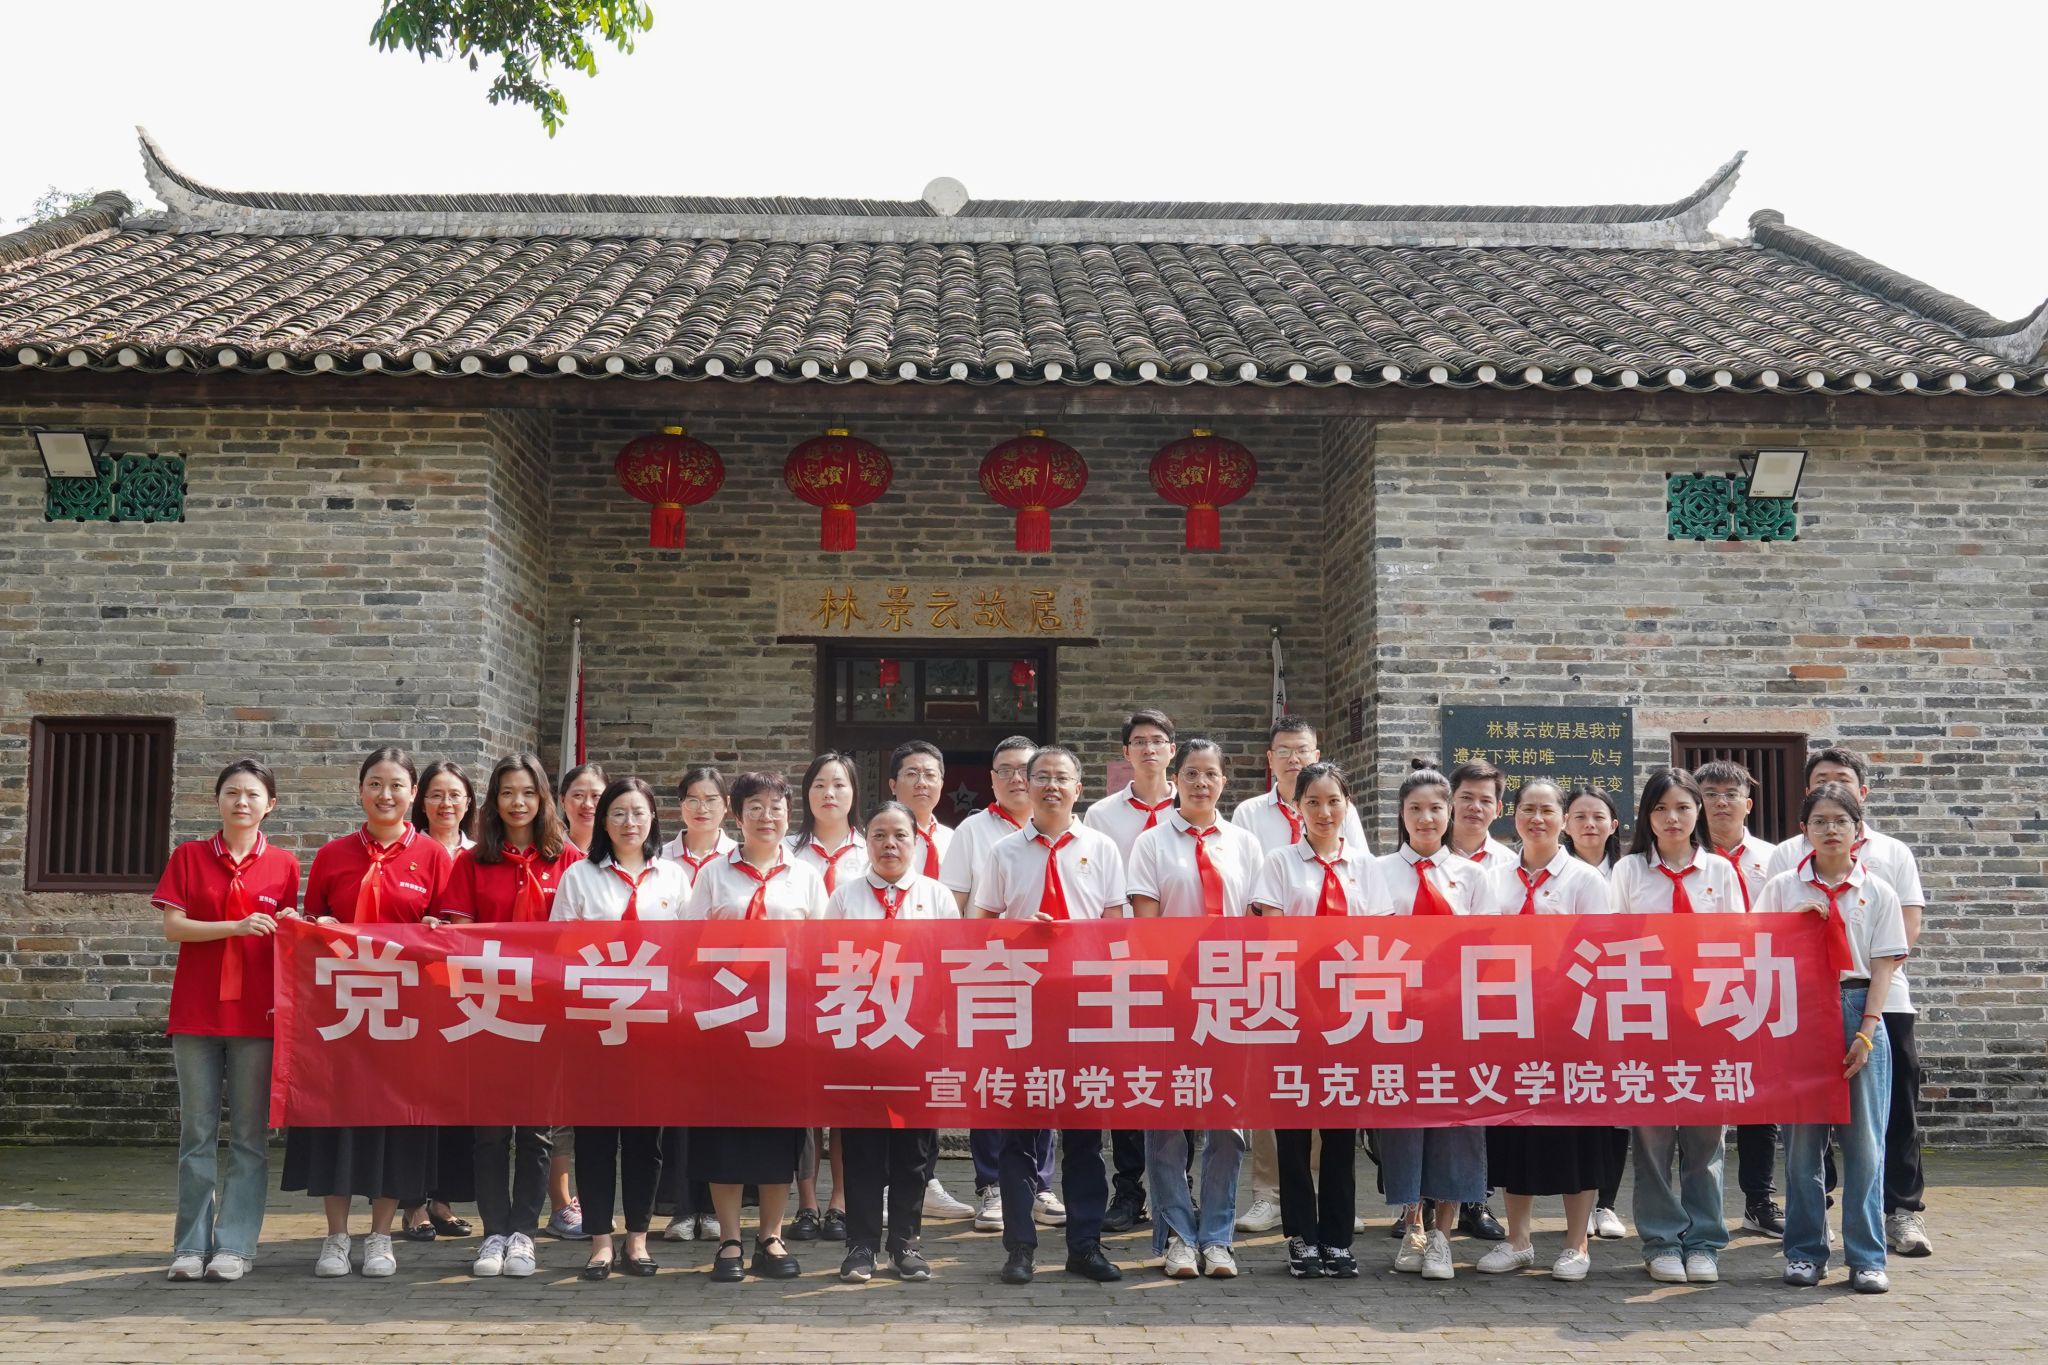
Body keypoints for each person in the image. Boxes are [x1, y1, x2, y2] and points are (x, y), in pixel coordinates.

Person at [283, 747, 454, 1280]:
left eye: (397, 785)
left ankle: (380, 1236)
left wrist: (435, 931)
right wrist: (311, 926)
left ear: (413, 795)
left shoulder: (434, 856)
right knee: (336, 1122)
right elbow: (310, 929)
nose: (386, 794)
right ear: (360, 791)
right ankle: (336, 1237)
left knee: (395, 1124)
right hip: (342, 1012)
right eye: (375, 784)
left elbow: (450, 935)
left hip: (406, 1016)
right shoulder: (333, 854)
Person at [1765, 746, 1932, 1259]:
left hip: (1860, 1003)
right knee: (1802, 1144)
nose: (1831, 829)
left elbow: (1885, 962)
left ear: (1858, 828)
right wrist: (1796, 927)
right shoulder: (1783, 886)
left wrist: (1867, 1028)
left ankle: (1867, 1255)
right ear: (1804, 828)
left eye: (1841, 821)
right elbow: (1759, 952)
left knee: (1866, 1141)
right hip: (1801, 1007)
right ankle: (1804, 1251)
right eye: (1820, 821)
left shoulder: (1878, 889)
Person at [973, 746, 1126, 1286]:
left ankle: (1085, 1245)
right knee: (1019, 1134)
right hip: (1021, 1007)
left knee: (1084, 1136)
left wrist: (1073, 937)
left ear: (1078, 789)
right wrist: (1024, 935)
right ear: (1025, 784)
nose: (1051, 786)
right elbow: (981, 927)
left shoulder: (1103, 848)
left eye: (1062, 778)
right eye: (1041, 777)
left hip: (1085, 1008)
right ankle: (1019, 1248)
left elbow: (1116, 929)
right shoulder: (1003, 852)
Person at [436, 751, 584, 1279]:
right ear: (493, 801)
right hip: (488, 1010)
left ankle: (524, 1232)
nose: (517, 803)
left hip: (545, 1013)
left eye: (527, 792)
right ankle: (493, 1233)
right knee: (491, 1132)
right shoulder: (472, 862)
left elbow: (578, 936)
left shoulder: (568, 861)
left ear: (543, 798)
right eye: (506, 793)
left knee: (537, 1131)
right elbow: (459, 936)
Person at [154, 758, 302, 1283]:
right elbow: (174, 928)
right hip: (197, 1013)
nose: (242, 802)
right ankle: (190, 1246)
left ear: (270, 805)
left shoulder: (284, 865)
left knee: (248, 1136)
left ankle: (235, 1246)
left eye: (253, 794)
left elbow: (284, 934)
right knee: (196, 1133)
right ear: (217, 800)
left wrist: (291, 924)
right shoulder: (189, 857)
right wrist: (235, 926)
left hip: (257, 1016)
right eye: (232, 792)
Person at [1472, 778, 1622, 1283]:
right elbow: (1479, 946)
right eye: (1527, 809)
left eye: (1547, 811)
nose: (1537, 819)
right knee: (1517, 1130)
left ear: (1563, 820)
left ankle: (1576, 1243)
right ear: (1513, 815)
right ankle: (1519, 1241)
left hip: (1571, 1025)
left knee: (1576, 1132)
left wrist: (1553, 983)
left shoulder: (1585, 880)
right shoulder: (1493, 878)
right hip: (1510, 1024)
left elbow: (1597, 949)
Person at [1248, 760, 1393, 1280]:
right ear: (1297, 808)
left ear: (1347, 805)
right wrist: (1305, 1001)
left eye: (1334, 801)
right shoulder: (1280, 863)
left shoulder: (1367, 868)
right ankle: (1300, 1237)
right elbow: (1275, 940)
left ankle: (1336, 1238)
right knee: (1292, 1131)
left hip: (1350, 1015)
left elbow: (1378, 942)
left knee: (1339, 1133)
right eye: (1313, 802)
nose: (1324, 811)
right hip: (1292, 1011)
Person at [682, 770, 827, 1282]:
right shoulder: (713, 875)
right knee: (723, 1131)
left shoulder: (806, 876)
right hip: (724, 1019)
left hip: (784, 1023)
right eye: (756, 808)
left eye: (777, 807)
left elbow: (823, 950)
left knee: (777, 1132)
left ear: (789, 814)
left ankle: (770, 1236)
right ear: (738, 816)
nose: (768, 817)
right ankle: (728, 1239)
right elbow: (688, 944)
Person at [1127, 737, 1263, 1279]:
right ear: (1176, 780)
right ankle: (1178, 1236)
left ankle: (1218, 1237)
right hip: (1170, 998)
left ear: (1224, 781)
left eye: (1211, 774)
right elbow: (1146, 929)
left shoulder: (1245, 845)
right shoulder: (1151, 844)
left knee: (1227, 1126)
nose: (1201, 783)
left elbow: (1257, 925)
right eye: (1191, 774)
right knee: (1166, 1123)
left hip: (1231, 999)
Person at [1229, 715, 1370, 1236]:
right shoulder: (1257, 825)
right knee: (1283, 1099)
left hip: (1345, 997)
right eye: (1284, 750)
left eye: (1303, 749)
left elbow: (1368, 909)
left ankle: (1330, 1205)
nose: (1324, 811)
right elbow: (1264, 915)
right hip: (1284, 989)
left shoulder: (1353, 843)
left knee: (1334, 1100)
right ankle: (1276, 1200)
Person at [551, 776, 688, 1279]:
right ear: (603, 822)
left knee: (644, 1139)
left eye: (639, 813)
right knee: (595, 1138)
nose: (630, 823)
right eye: (619, 813)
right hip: (595, 1023)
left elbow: (690, 952)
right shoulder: (579, 877)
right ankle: (600, 1241)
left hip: (654, 1026)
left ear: (653, 819)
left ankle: (637, 1238)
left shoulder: (673, 878)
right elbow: (558, 948)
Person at [1610, 767, 1743, 1284]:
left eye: (1683, 807)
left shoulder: (1720, 872)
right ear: (1647, 815)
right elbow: (1612, 944)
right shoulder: (1629, 871)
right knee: (1652, 1139)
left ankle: (1705, 1241)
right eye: (1661, 808)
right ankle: (1661, 1240)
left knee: (1707, 1139)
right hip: (1647, 1020)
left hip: (1707, 1020)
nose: (1672, 818)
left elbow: (1736, 946)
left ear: (1698, 812)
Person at [824, 801, 958, 1284]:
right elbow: (828, 966)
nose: (889, 844)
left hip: (920, 1038)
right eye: (879, 835)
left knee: (915, 1148)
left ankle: (906, 1243)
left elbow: (952, 967)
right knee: (862, 1145)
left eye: (900, 835)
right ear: (866, 842)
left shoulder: (937, 896)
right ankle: (861, 1245)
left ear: (916, 842)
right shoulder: (845, 898)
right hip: (861, 1036)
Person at [937, 735, 1059, 1236]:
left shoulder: (1071, 832)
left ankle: (1042, 1183)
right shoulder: (973, 831)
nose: (1016, 778)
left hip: (1054, 982)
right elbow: (956, 906)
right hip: (990, 973)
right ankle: (991, 1183)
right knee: (993, 1081)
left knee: (1045, 1080)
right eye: (1005, 769)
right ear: (991, 779)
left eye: (1025, 769)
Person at [1375, 762, 1487, 1281]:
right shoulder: (1376, 871)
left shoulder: (1474, 876)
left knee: (1455, 1121)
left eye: (1435, 809)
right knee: (1403, 1120)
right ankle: (1412, 1224)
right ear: (1401, 814)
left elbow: (1487, 950)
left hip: (1456, 1018)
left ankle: (1443, 1234)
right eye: (1415, 809)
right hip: (1395, 1018)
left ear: (1450, 813)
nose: (1426, 818)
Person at [1083, 708, 1179, 1235]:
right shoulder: (1101, 815)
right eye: (1139, 741)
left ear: (1172, 750)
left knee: (1177, 1073)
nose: (1148, 749)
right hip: (1120, 959)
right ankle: (1128, 1189)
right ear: (1126, 753)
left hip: (1180, 964)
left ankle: (1177, 1183)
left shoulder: (1192, 808)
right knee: (1126, 1075)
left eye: (1158, 740)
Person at [882, 741, 974, 1222]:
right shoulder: (878, 840)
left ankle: (927, 1180)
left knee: (929, 1083)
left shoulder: (959, 839)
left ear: (943, 783)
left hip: (939, 980)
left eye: (931, 774)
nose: (922, 782)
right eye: (911, 773)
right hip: (883, 981)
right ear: (893, 784)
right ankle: (879, 1184)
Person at [1693, 759, 1785, 1240]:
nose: (1720, 802)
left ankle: (1759, 1199)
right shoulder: (1683, 857)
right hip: (1698, 993)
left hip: (1759, 990)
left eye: (1731, 794)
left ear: (1748, 803)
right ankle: (1693, 1208)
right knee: (1695, 1098)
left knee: (1758, 1100)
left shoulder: (1775, 858)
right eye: (1710, 793)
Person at [786, 752, 867, 1242]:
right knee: (806, 1102)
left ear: (854, 792)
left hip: (855, 989)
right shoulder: (788, 851)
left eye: (839, 784)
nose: (829, 794)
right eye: (819, 785)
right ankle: (807, 1203)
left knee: (844, 1100)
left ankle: (841, 1200)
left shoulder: (872, 848)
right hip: (799, 988)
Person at [401, 761, 481, 1243]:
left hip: (468, 991)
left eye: (455, 794)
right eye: (436, 794)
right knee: (416, 1096)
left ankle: (444, 1199)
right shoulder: (408, 850)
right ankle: (413, 1202)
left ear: (469, 801)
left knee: (457, 1099)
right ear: (421, 800)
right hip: (415, 989)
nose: (446, 803)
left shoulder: (482, 853)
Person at [655, 765, 734, 1244]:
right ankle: (682, 1207)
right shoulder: (661, 859)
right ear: (679, 806)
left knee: (719, 1104)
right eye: (692, 800)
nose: (701, 808)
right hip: (675, 994)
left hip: (730, 996)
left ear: (727, 807)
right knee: (679, 1105)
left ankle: (716, 1206)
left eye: (711, 800)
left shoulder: (738, 858)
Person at [1439, 757, 1515, 1240]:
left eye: (1485, 800)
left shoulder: (1510, 864)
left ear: (1498, 808)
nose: (1474, 807)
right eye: (1466, 797)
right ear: (1451, 802)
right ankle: (1418, 1202)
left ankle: (1476, 1200)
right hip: (1429, 1003)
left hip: (1487, 1001)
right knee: (1430, 1097)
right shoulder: (1426, 851)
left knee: (1481, 1097)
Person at [1562, 783, 1629, 1240]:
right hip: (1564, 1000)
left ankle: (1606, 1202)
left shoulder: (1629, 872)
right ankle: (1578, 1202)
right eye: (1580, 816)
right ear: (1565, 824)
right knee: (1578, 1096)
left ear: (1613, 825)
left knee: (1616, 1102)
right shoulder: (1554, 872)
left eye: (1598, 816)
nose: (1589, 824)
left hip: (1620, 998)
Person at [545, 761, 606, 1240]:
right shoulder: (552, 855)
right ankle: (562, 1202)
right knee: (561, 1105)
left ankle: (594, 1198)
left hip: (616, 996)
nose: (587, 804)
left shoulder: (618, 854)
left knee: (600, 1105)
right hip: (561, 991)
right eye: (578, 795)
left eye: (596, 795)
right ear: (562, 802)